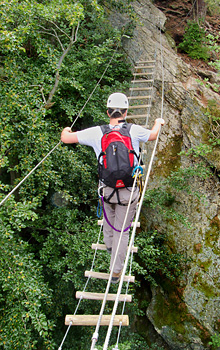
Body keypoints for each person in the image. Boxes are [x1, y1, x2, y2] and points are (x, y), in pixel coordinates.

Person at [61, 93, 164, 283]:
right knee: (122, 230)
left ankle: (109, 245)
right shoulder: (134, 130)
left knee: (109, 218)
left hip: (107, 189)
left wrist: (67, 129)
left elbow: (66, 138)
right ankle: (116, 271)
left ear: (107, 111)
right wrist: (158, 121)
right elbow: (153, 135)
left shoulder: (96, 132)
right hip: (128, 190)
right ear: (125, 112)